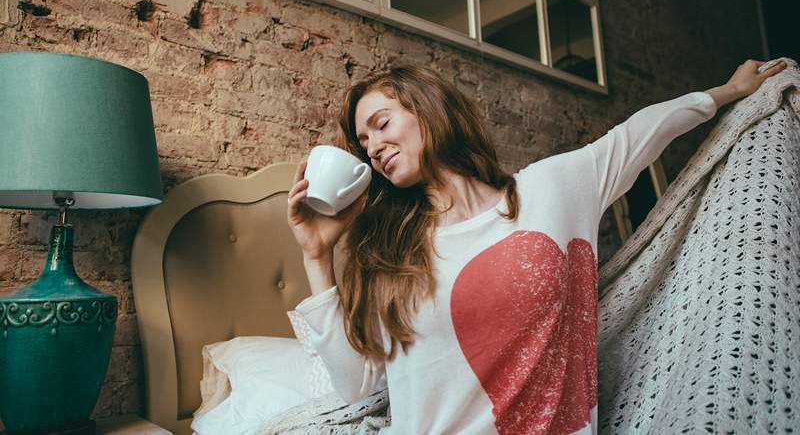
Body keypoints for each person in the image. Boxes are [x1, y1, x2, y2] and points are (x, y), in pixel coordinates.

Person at [286, 59, 788, 435]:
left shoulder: (549, 190)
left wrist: (727, 92)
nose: (372, 147)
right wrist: (317, 257)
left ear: (428, 110)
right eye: (363, 141)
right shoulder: (392, 251)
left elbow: (639, 134)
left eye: (382, 124)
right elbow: (359, 384)